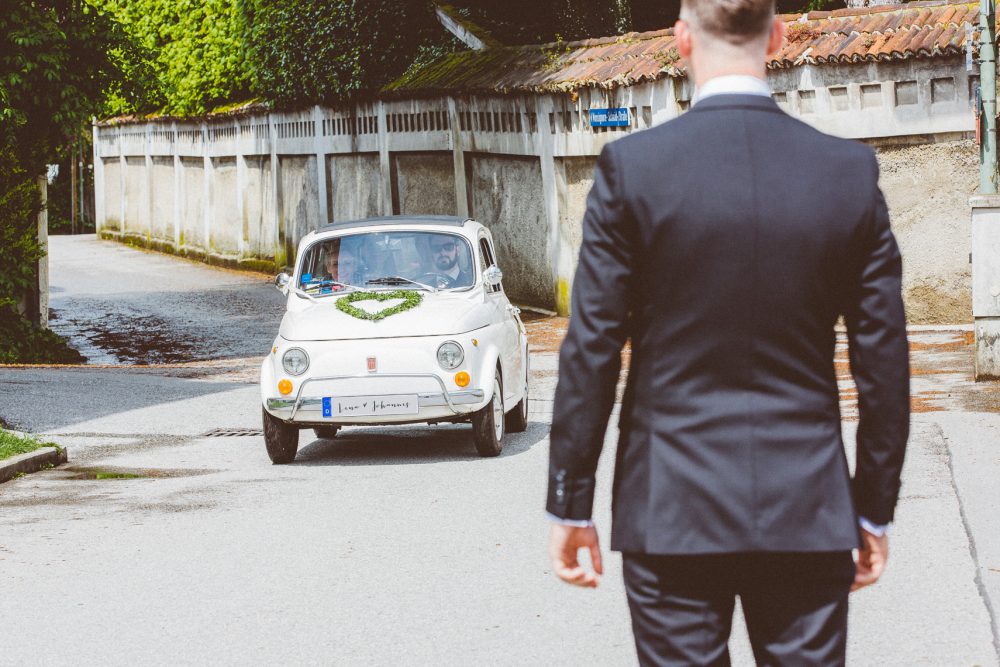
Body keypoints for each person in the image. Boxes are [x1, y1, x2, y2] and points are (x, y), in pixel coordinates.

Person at [545, 1, 910, 664]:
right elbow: (883, 363)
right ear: (778, 37)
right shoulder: (847, 174)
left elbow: (592, 348)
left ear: (682, 38)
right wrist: (872, 509)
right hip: (807, 509)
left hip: (670, 509)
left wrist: (571, 504)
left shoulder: (633, 170)